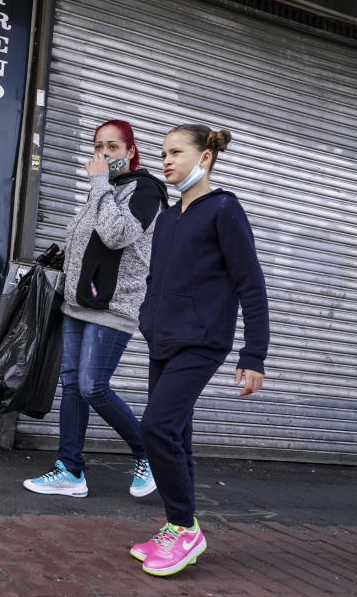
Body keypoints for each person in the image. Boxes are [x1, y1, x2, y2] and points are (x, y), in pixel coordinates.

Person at [132, 125, 269, 576]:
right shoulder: (170, 217)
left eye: (176, 152)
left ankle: (184, 528)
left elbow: (251, 283)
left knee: (156, 426)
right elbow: (160, 278)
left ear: (204, 158)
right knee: (177, 435)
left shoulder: (224, 209)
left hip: (202, 341)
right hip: (163, 339)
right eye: (163, 152)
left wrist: (254, 355)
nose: (166, 160)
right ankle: (178, 527)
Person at [23, 120, 168, 498]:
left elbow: (117, 235)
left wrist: (100, 183)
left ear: (131, 152)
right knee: (72, 386)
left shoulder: (145, 190)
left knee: (93, 386)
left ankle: (149, 454)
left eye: (113, 148)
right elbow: (87, 241)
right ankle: (70, 470)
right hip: (78, 303)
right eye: (98, 147)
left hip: (113, 305)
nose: (104, 155)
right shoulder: (106, 190)